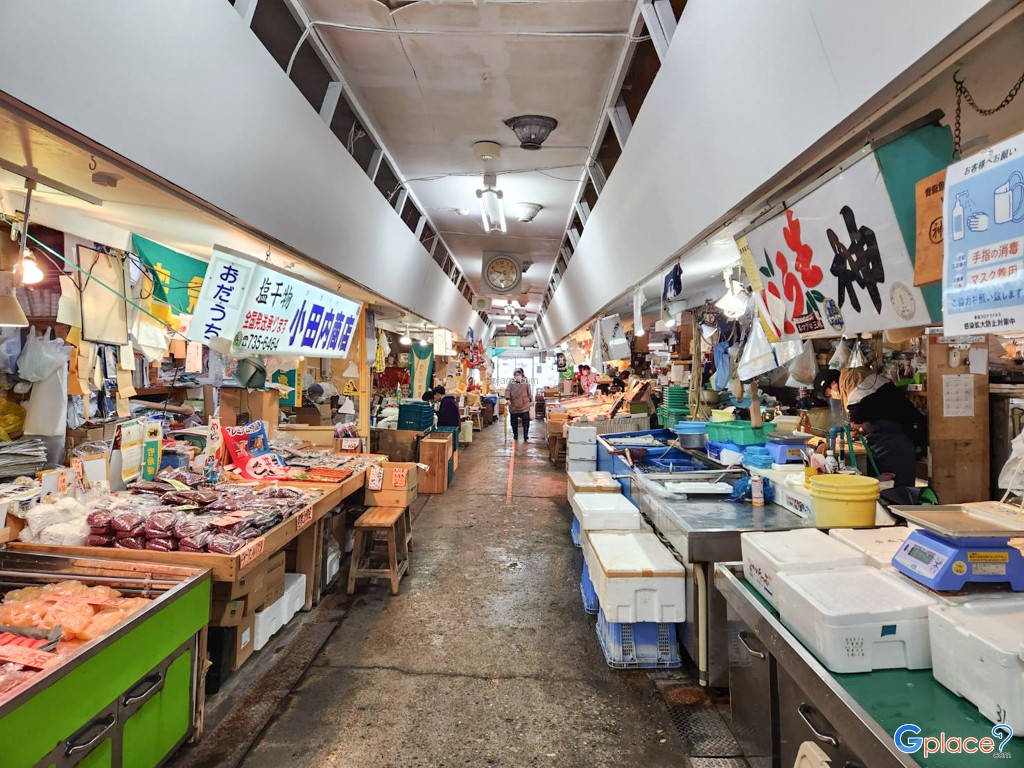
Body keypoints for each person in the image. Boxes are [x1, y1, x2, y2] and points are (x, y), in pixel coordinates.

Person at [838, 366, 927, 488]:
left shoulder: (859, 389)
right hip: (905, 440)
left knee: (893, 490)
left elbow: (857, 419)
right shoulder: (880, 386)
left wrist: (850, 432)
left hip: (892, 445)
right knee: (900, 489)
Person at [505, 368, 533, 441]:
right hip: (514, 406)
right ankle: (515, 435)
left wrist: (531, 401)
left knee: (526, 422)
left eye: (519, 374)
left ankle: (525, 435)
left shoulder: (525, 381)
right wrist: (508, 399)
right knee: (513, 422)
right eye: (516, 375)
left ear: (521, 375)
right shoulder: (511, 382)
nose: (517, 376)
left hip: (524, 405)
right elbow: (507, 390)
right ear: (514, 375)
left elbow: (529, 391)